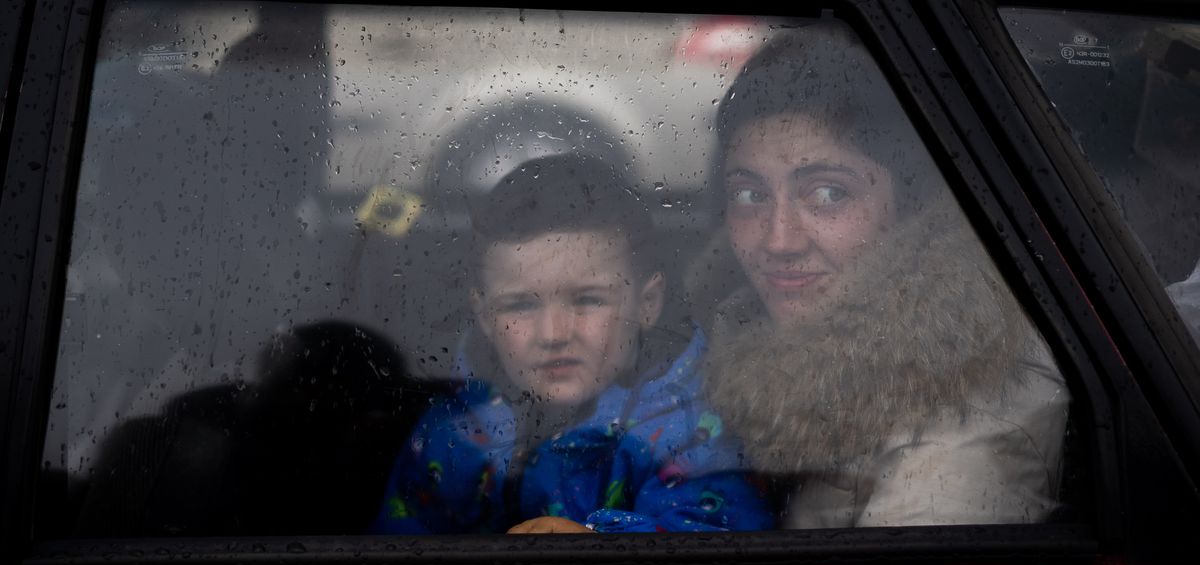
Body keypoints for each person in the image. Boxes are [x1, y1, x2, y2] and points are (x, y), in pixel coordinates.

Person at [692, 24, 1070, 528]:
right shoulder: (718, 342)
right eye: (749, 195)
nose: (779, 241)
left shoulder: (961, 442)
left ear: (909, 205)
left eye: (828, 194)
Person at [371, 154, 773, 534]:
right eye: (520, 305)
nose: (554, 333)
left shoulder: (692, 430)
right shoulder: (454, 430)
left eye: (587, 300)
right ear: (484, 315)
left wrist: (594, 547)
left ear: (647, 304)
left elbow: (719, 549)